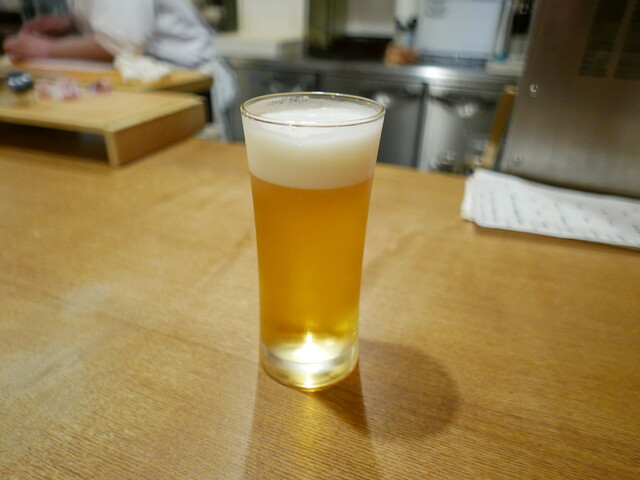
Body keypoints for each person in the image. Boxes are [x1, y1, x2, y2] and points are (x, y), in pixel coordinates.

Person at [3, 0, 237, 139]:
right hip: (148, 82)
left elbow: (124, 42)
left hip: (179, 80)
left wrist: (46, 49)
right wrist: (70, 21)